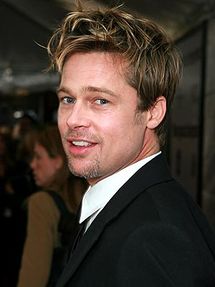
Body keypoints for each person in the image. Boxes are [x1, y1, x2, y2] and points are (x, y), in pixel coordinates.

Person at [47, 3, 215, 286]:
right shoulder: (123, 205)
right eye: (68, 99)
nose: (73, 120)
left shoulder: (155, 240)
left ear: (153, 112)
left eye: (100, 101)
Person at [17, 125, 87, 287]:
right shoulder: (88, 197)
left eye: (38, 157)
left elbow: (34, 274)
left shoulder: (42, 203)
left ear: (57, 161)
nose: (32, 165)